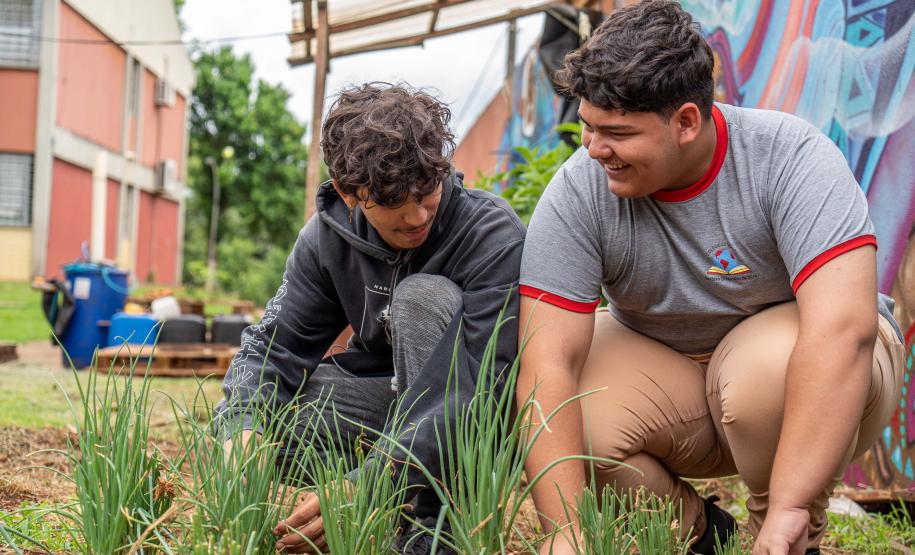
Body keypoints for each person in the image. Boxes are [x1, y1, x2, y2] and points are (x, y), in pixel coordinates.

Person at [516, 2, 905, 554]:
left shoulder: (788, 156)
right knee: (566, 399)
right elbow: (545, 366)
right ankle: (699, 530)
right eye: (587, 125)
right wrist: (566, 533)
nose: (594, 149)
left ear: (687, 122)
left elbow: (844, 331)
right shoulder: (580, 189)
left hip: (817, 379)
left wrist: (791, 506)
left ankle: (787, 528)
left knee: (762, 371)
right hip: (680, 385)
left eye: (618, 132)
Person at [214, 82, 525, 554]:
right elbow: (271, 349)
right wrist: (243, 429)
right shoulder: (325, 240)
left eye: (428, 193)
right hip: (382, 403)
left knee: (423, 297)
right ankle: (349, 507)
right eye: (393, 207)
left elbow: (490, 387)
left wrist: (376, 478)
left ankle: (433, 528)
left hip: (465, 416)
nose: (418, 216)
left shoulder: (490, 234)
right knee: (273, 416)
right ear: (349, 192)